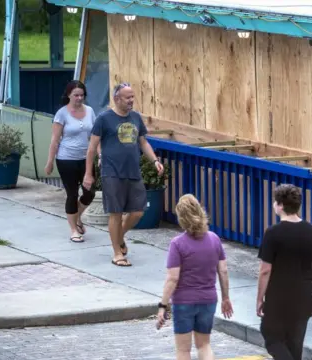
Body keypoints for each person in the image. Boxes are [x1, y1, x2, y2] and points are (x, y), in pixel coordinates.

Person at [82, 82, 164, 267]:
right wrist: (89, 174)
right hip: (112, 172)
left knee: (138, 211)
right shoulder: (104, 119)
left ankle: (119, 236)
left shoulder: (135, 117)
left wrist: (155, 161)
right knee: (116, 213)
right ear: (117, 99)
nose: (131, 101)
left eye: (133, 97)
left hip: (133, 171)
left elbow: (143, 142)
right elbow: (92, 148)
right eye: (128, 97)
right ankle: (117, 253)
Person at [156, 194, 234, 360]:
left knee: (183, 350)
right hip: (208, 299)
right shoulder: (214, 239)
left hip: (184, 301)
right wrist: (226, 297)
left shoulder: (177, 244)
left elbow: (172, 278)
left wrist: (163, 305)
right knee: (204, 345)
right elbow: (223, 271)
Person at [256, 184, 312, 360]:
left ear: (280, 205)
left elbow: (265, 270)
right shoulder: (311, 231)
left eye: (275, 202)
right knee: (295, 346)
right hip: (303, 296)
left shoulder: (273, 233)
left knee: (271, 336)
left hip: (278, 297)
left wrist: (259, 298)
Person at [44, 80, 97, 243]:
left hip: (86, 159)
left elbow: (95, 137)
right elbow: (55, 139)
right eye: (76, 95)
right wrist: (50, 161)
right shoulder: (62, 113)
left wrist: (100, 156)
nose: (79, 98)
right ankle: (74, 229)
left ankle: (77, 217)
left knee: (90, 192)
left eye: (82, 95)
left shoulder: (90, 111)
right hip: (66, 159)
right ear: (69, 95)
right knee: (72, 194)